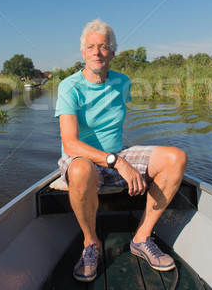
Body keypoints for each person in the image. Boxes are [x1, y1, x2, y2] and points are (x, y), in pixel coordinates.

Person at [54, 18, 188, 282]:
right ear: (83, 53)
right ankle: (90, 243)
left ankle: (141, 238)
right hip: (83, 160)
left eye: (103, 46)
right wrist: (116, 162)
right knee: (81, 169)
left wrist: (121, 158)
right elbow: (69, 143)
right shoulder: (69, 87)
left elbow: (112, 127)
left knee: (176, 158)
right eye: (91, 47)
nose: (97, 52)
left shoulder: (122, 82)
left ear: (112, 52)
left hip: (117, 155)